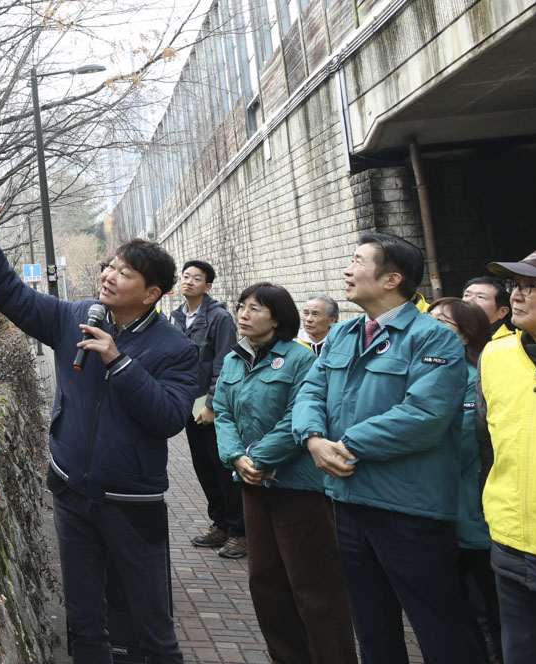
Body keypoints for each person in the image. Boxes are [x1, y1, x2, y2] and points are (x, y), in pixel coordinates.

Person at [0, 189, 196, 664]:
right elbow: (15, 298)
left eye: (124, 273)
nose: (109, 275)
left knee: (153, 627)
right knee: (85, 624)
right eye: (110, 266)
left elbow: (168, 417)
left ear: (151, 294)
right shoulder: (76, 317)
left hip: (132, 503)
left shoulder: (176, 348)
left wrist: (118, 361)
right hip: (71, 493)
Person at [291, 231, 481, 664]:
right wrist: (313, 438)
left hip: (409, 509)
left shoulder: (434, 338)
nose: (347, 270)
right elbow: (310, 392)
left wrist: (344, 444)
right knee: (373, 629)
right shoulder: (343, 334)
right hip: (348, 501)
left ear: (392, 278)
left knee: (440, 629)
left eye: (358, 261)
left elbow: (425, 416)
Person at [215, 282, 357, 664]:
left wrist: (256, 458)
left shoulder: (301, 359)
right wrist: (235, 457)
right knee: (265, 582)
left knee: (313, 585)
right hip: (253, 484)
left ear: (277, 318)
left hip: (297, 487)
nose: (244, 314)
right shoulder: (234, 359)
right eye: (241, 306)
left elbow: (299, 416)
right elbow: (223, 413)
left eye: (255, 308)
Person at [477, 246, 536, 664]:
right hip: (513, 547)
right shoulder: (495, 356)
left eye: (533, 286)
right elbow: (487, 445)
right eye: (515, 284)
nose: (516, 294)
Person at [427, 297, 502, 663]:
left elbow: (463, 450)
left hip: (472, 519)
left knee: (485, 610)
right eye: (429, 318)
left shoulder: (476, 380)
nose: (429, 326)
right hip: (438, 515)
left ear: (465, 336)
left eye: (441, 322)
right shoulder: (427, 374)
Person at [169, 260, 245, 558]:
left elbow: (224, 364)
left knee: (222, 467)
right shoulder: (178, 316)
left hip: (211, 405)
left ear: (208, 286)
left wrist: (212, 404)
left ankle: (240, 532)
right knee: (203, 467)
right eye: (185, 276)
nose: (188, 281)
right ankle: (221, 524)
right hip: (189, 403)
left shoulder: (219, 318)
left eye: (196, 278)